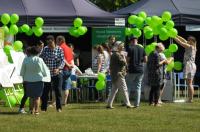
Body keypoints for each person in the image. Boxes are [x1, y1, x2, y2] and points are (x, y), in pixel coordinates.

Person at [20, 46, 49, 115]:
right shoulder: (39, 59)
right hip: (38, 80)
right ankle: (36, 111)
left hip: (28, 80)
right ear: (38, 52)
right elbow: (44, 70)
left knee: (31, 97)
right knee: (37, 97)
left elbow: (22, 71)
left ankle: (31, 110)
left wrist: (24, 78)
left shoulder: (26, 59)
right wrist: (45, 75)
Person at [40, 35, 65, 112]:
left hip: (57, 73)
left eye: (50, 43)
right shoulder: (45, 49)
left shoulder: (59, 49)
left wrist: (58, 68)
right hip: (47, 74)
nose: (49, 45)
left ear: (53, 41)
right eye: (47, 43)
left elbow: (62, 61)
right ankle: (44, 108)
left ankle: (59, 108)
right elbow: (40, 59)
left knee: (58, 91)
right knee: (45, 91)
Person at [106, 41, 133, 109]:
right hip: (118, 74)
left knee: (114, 90)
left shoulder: (115, 54)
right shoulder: (117, 54)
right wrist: (124, 57)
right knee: (124, 89)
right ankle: (128, 104)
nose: (123, 47)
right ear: (118, 47)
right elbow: (124, 63)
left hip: (115, 74)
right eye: (122, 46)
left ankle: (109, 104)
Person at [174, 35, 197, 103]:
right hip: (191, 65)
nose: (187, 41)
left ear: (192, 41)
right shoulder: (194, 47)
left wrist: (173, 37)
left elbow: (181, 43)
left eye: (189, 40)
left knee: (189, 83)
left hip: (189, 65)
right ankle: (190, 98)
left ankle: (190, 99)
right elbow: (184, 40)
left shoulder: (190, 46)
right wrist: (177, 35)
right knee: (189, 83)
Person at [127, 36, 147, 108]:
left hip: (132, 69)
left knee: (128, 86)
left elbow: (128, 60)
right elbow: (145, 60)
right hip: (140, 70)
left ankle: (127, 102)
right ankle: (137, 104)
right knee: (138, 87)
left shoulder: (130, 48)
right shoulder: (142, 48)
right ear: (137, 41)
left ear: (131, 41)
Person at [56, 36, 74, 106]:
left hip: (62, 69)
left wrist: (68, 65)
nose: (56, 42)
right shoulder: (69, 48)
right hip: (69, 70)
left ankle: (56, 102)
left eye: (57, 41)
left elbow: (62, 59)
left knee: (58, 86)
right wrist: (71, 65)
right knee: (66, 87)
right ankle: (64, 102)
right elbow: (72, 58)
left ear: (60, 41)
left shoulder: (60, 48)